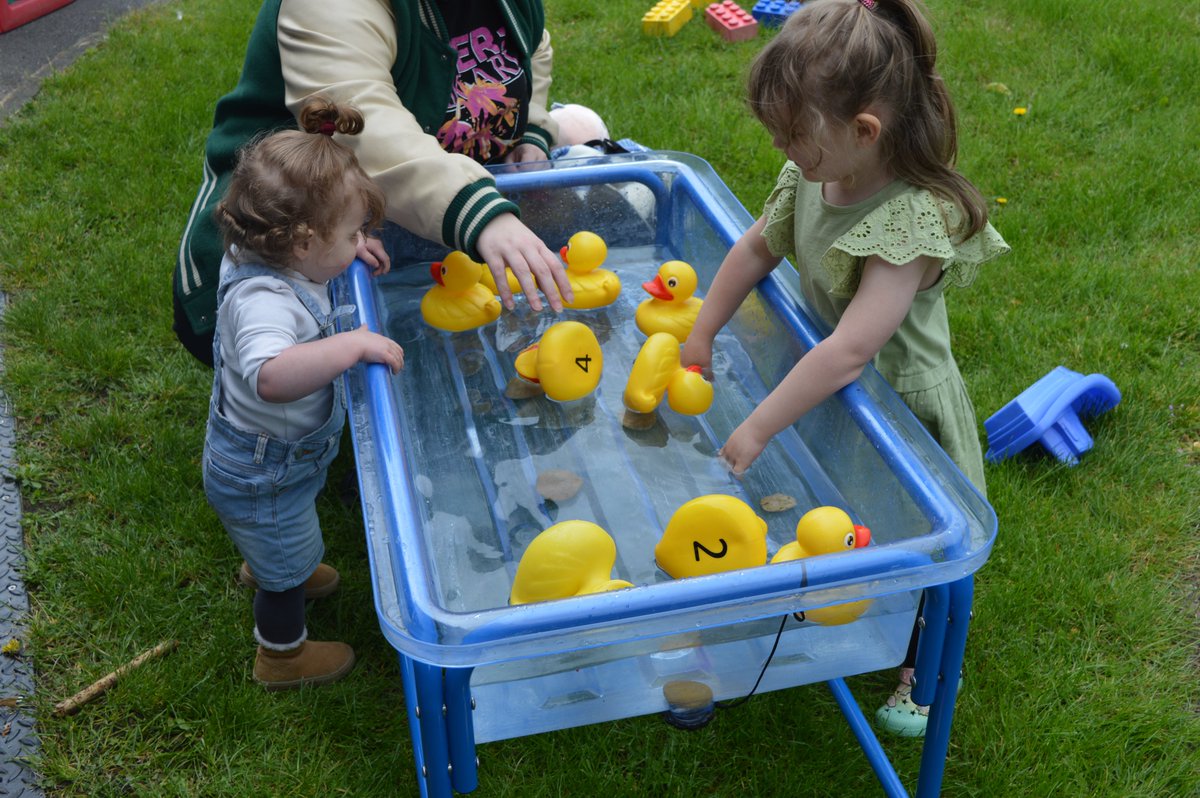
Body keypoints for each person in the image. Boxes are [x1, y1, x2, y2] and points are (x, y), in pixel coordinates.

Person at [680, 0, 1010, 736]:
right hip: (839, 386)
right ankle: (835, 598)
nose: (780, 146)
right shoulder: (815, 173)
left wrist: (758, 427)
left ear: (865, 131)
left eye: (792, 134)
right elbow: (756, 247)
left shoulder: (910, 220)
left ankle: (924, 664)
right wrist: (702, 331)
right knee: (847, 511)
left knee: (921, 543)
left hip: (901, 402)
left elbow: (852, 350)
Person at [176, 0, 604, 366]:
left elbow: (531, 47)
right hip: (295, 210)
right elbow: (364, 128)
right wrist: (482, 215)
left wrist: (530, 131)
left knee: (582, 126)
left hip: (431, 176)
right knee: (310, 345)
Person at [203, 97, 405, 690]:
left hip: (275, 463)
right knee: (284, 577)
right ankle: (282, 655)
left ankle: (272, 553)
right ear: (302, 243)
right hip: (263, 471)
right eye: (353, 233)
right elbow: (271, 374)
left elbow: (318, 252)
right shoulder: (263, 301)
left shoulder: (264, 249)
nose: (360, 241)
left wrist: (345, 250)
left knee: (282, 536)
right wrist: (352, 345)